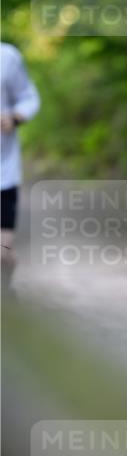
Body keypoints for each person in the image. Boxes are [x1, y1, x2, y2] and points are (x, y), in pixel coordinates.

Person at [1, 42, 41, 295]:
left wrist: (15, 117)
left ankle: (4, 292)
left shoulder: (7, 57)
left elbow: (29, 98)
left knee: (2, 252)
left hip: (3, 172)